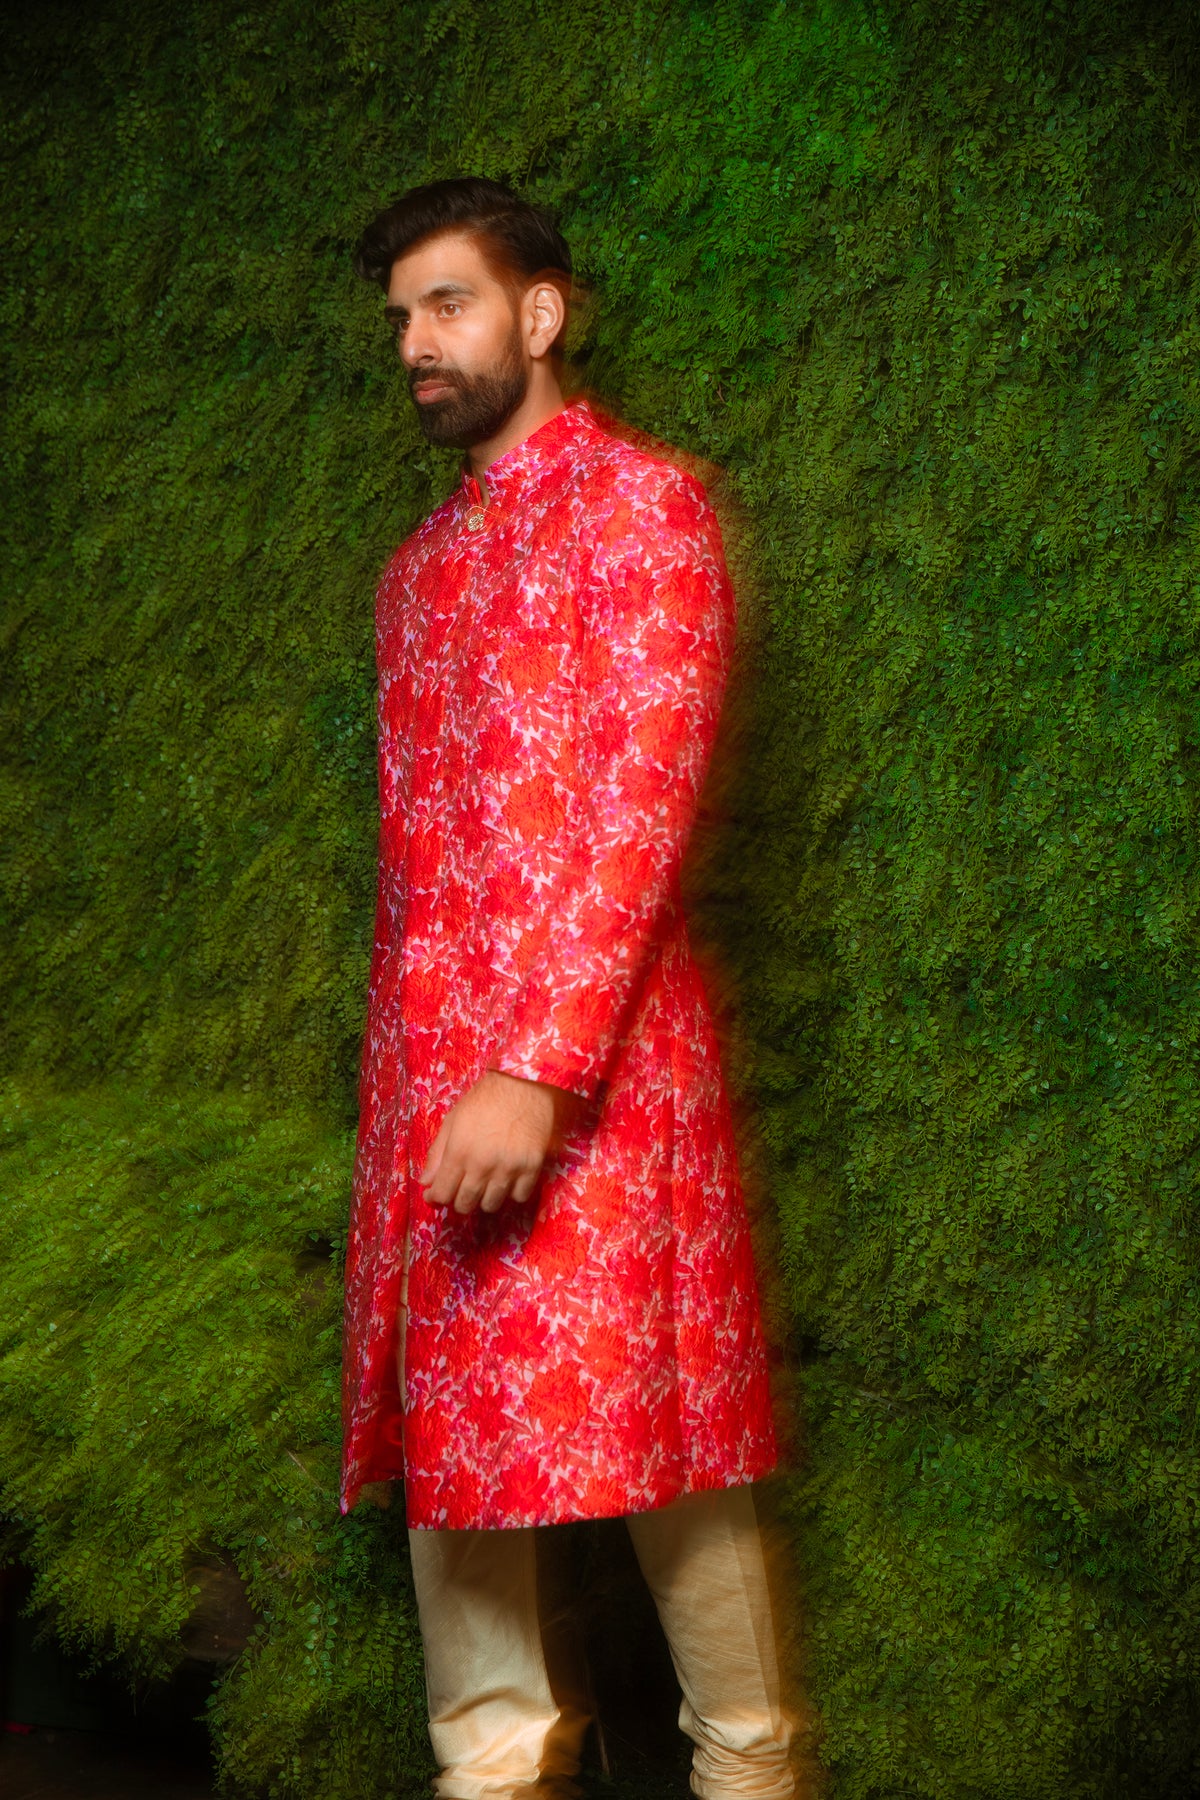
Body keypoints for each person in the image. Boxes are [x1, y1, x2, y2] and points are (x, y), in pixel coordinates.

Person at [341, 175, 795, 1800]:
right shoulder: (415, 576)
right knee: (463, 1529)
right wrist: (426, 1091)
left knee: (675, 1465)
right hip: (431, 1103)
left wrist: (532, 1065)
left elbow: (642, 811)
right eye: (399, 316)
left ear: (540, 313)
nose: (416, 342)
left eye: (447, 304)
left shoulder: (643, 511)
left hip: (600, 1092)